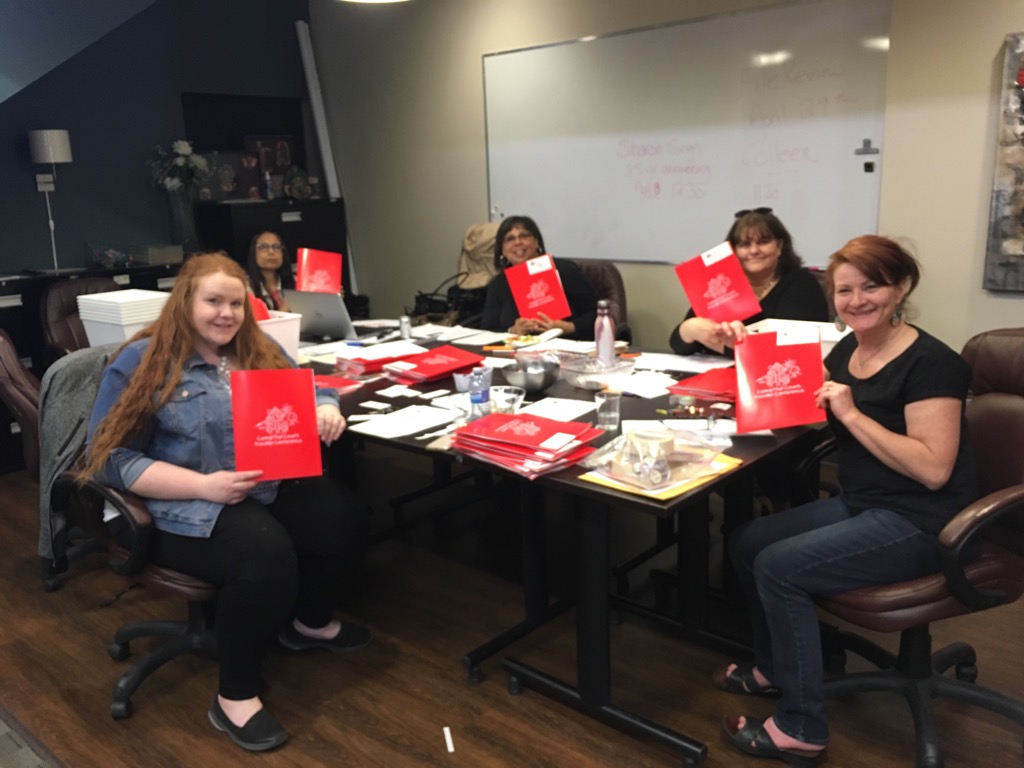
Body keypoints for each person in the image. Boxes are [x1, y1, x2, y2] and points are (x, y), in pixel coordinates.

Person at [81, 252, 370, 753]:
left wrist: (324, 407)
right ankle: (234, 695)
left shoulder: (256, 349)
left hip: (253, 490)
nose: (227, 314)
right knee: (265, 554)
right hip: (171, 506)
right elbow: (108, 460)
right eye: (213, 301)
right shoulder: (144, 361)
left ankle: (307, 624)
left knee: (342, 516)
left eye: (236, 304)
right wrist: (202, 486)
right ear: (185, 302)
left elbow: (309, 385)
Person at [717, 235, 977, 766]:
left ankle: (801, 728)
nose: (856, 301)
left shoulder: (932, 363)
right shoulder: (848, 350)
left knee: (778, 567)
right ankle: (773, 668)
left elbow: (933, 469)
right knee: (746, 541)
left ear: (900, 288)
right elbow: (810, 401)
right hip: (864, 501)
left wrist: (852, 414)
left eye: (871, 287)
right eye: (844, 290)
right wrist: (748, 357)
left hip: (923, 520)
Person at [669, 208, 829, 356]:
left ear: (779, 246)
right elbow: (679, 345)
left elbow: (789, 351)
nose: (754, 251)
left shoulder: (801, 284)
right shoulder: (722, 283)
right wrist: (688, 329)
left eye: (763, 242)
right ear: (734, 250)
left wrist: (729, 345)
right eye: (745, 244)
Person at [480, 215, 599, 340]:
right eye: (510, 239)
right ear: (502, 250)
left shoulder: (564, 270)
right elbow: (487, 330)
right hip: (518, 350)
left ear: (537, 242)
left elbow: (597, 313)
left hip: (567, 346)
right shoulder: (498, 284)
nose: (517, 242)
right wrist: (512, 331)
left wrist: (568, 327)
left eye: (524, 236)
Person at [246, 230, 294, 311]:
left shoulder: (296, 281)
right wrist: (284, 310)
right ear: (253, 253)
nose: (271, 252)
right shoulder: (245, 287)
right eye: (263, 247)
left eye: (276, 247)